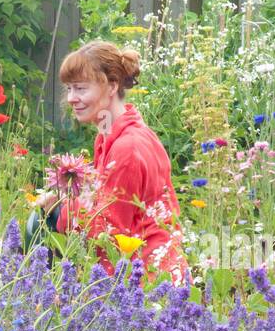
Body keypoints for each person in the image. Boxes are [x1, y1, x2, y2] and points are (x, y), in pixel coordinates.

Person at [33, 41, 189, 286]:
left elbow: (110, 234)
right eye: (69, 89)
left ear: (112, 86)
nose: (72, 98)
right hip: (146, 278)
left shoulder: (128, 147)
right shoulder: (109, 136)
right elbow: (106, 206)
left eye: (81, 89)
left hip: (150, 286)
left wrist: (60, 212)